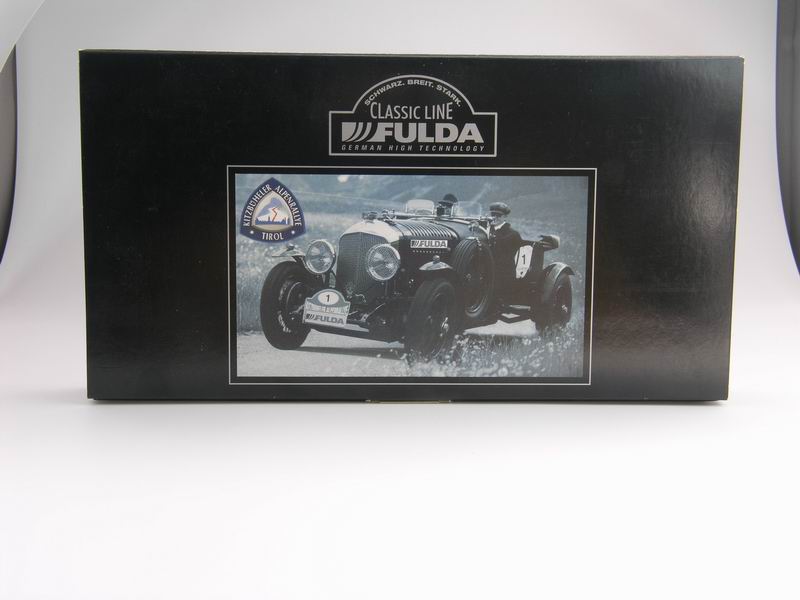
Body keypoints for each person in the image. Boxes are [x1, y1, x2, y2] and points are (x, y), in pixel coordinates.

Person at [489, 202, 522, 307]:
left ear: (505, 217)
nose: (494, 217)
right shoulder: (486, 230)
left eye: (498, 215)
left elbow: (506, 255)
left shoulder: (513, 234)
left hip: (502, 272)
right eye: (493, 214)